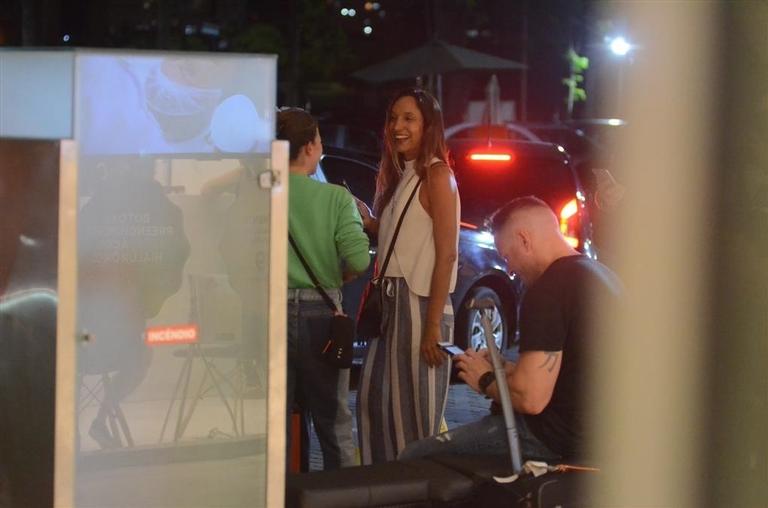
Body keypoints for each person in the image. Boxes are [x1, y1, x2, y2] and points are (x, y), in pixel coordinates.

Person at [399, 196, 623, 462]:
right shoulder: (603, 275)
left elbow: (531, 399)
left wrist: (484, 379)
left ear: (524, 240)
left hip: (556, 440)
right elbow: (572, 373)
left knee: (414, 455)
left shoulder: (548, 290)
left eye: (507, 256)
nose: (510, 269)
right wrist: (507, 369)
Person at [355, 88, 460, 464]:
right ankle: (386, 492)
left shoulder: (437, 174)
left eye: (409, 119)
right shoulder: (408, 176)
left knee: (414, 416)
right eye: (393, 119)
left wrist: (433, 325)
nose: (397, 127)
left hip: (420, 306)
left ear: (428, 125)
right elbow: (405, 237)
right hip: (393, 303)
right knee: (377, 406)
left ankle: (414, 494)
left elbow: (447, 253)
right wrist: (371, 222)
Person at [279, 107, 370, 470]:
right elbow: (360, 259)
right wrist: (338, 275)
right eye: (318, 139)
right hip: (322, 317)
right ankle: (340, 497)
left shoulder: (259, 194)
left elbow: (231, 249)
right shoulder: (335, 198)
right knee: (333, 421)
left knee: (275, 419)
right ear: (310, 148)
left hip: (270, 311)